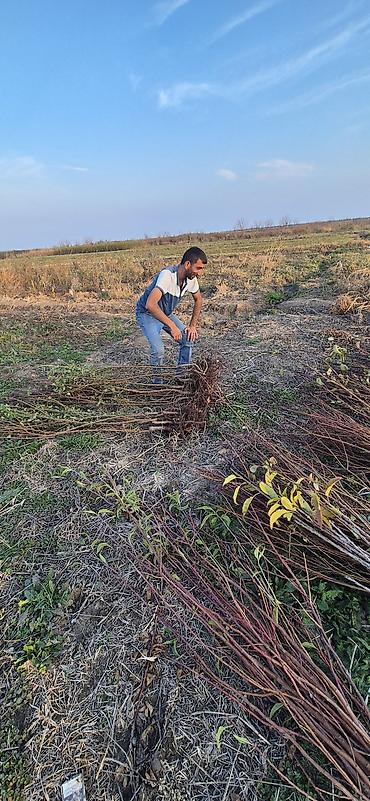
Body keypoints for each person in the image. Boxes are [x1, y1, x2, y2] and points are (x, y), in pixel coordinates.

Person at [136, 246, 206, 374]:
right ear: (187, 264)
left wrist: (192, 326)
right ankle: (157, 383)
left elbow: (198, 299)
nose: (200, 273)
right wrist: (172, 325)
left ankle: (181, 377)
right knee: (158, 350)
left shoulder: (191, 280)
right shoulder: (167, 275)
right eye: (198, 268)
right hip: (147, 313)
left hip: (165, 313)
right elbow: (150, 305)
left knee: (187, 338)